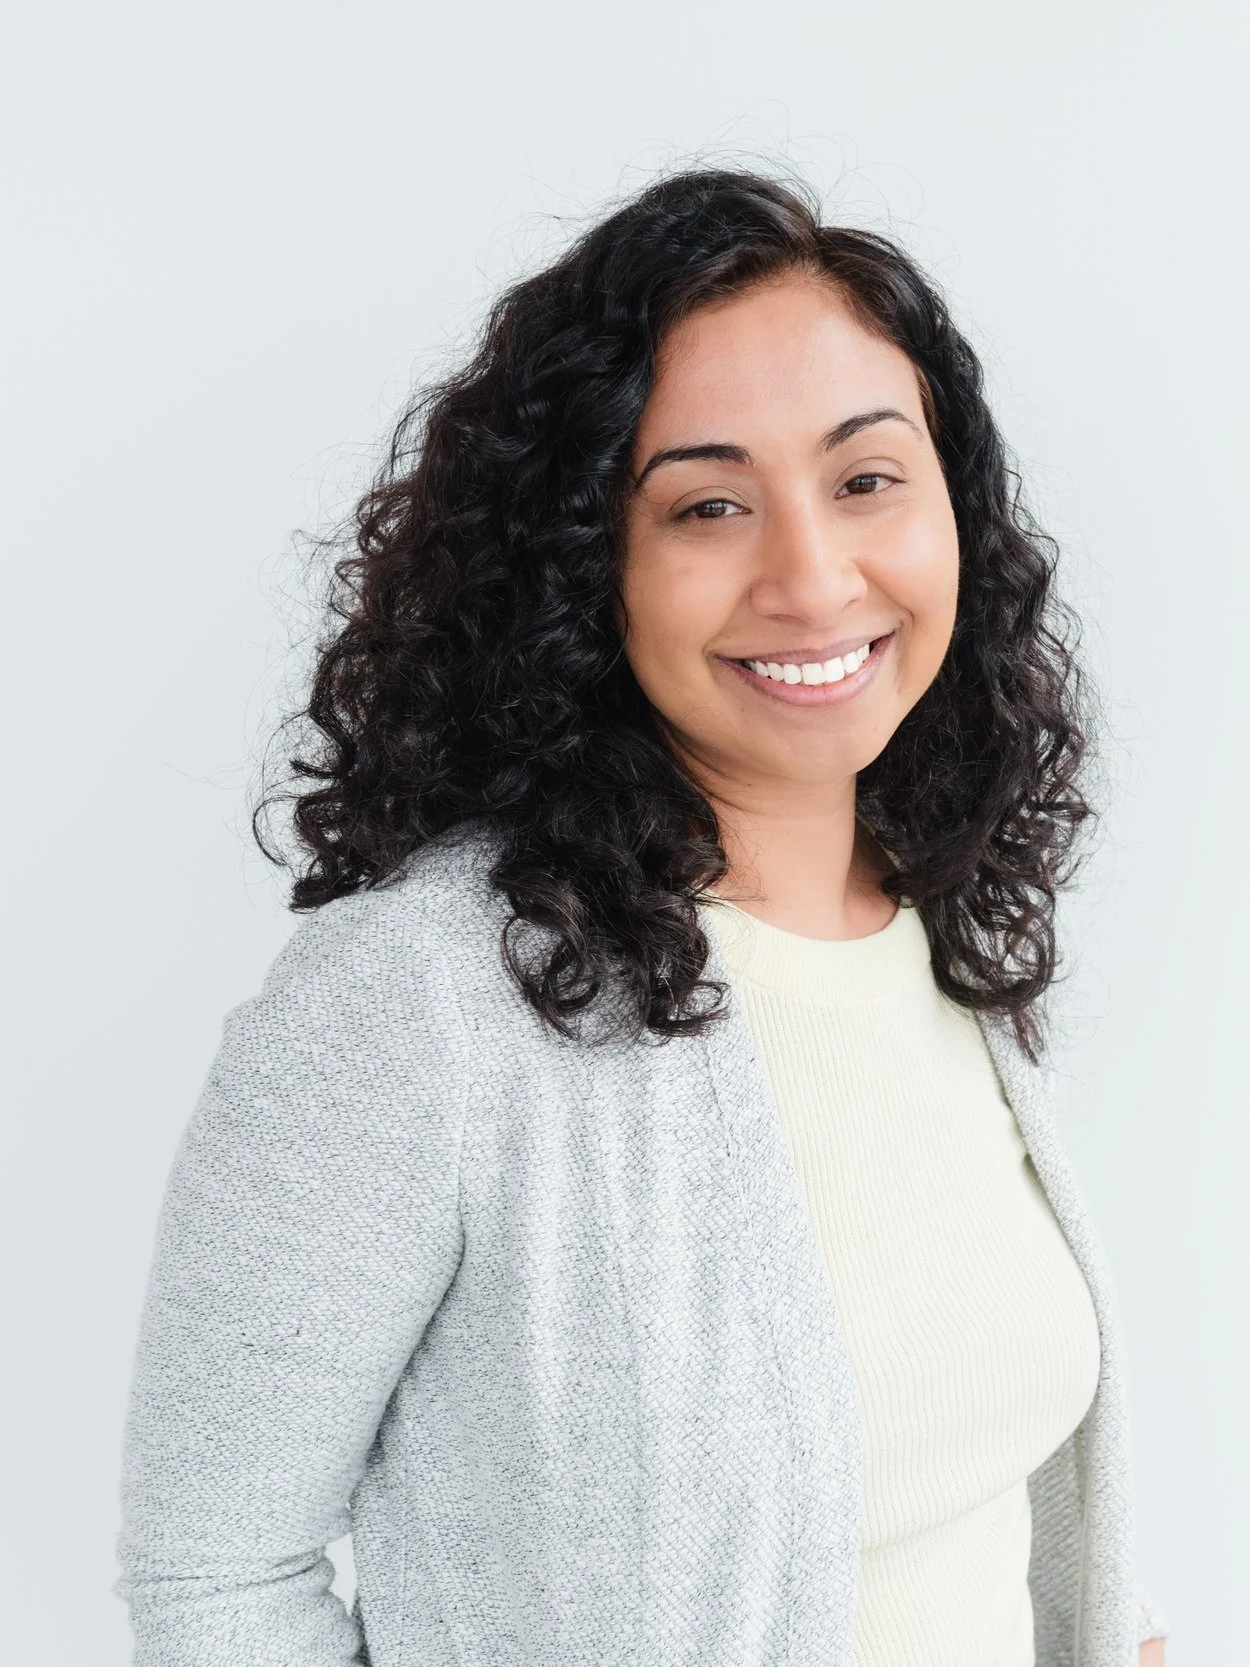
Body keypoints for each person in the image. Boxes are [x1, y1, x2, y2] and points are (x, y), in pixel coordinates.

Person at [114, 168, 1170, 1666]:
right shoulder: (418, 1000)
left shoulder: (939, 925)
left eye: (867, 478)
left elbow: (986, 1521)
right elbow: (216, 1577)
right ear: (581, 564)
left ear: (956, 507)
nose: (812, 576)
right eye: (707, 505)